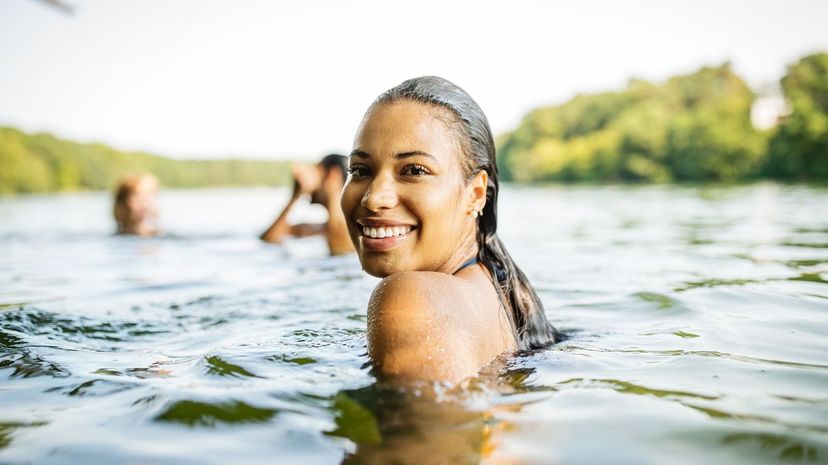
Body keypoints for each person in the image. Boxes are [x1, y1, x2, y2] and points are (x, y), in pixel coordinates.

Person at [341, 76, 558, 384]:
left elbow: (431, 433)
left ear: (476, 194)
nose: (374, 198)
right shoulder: (503, 297)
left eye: (415, 170)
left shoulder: (411, 299)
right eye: (360, 170)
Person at [260, 154, 354, 255]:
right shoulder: (310, 229)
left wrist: (332, 189)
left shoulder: (355, 232)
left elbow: (338, 245)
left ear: (332, 175)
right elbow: (268, 239)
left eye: (317, 171)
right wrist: (296, 195)